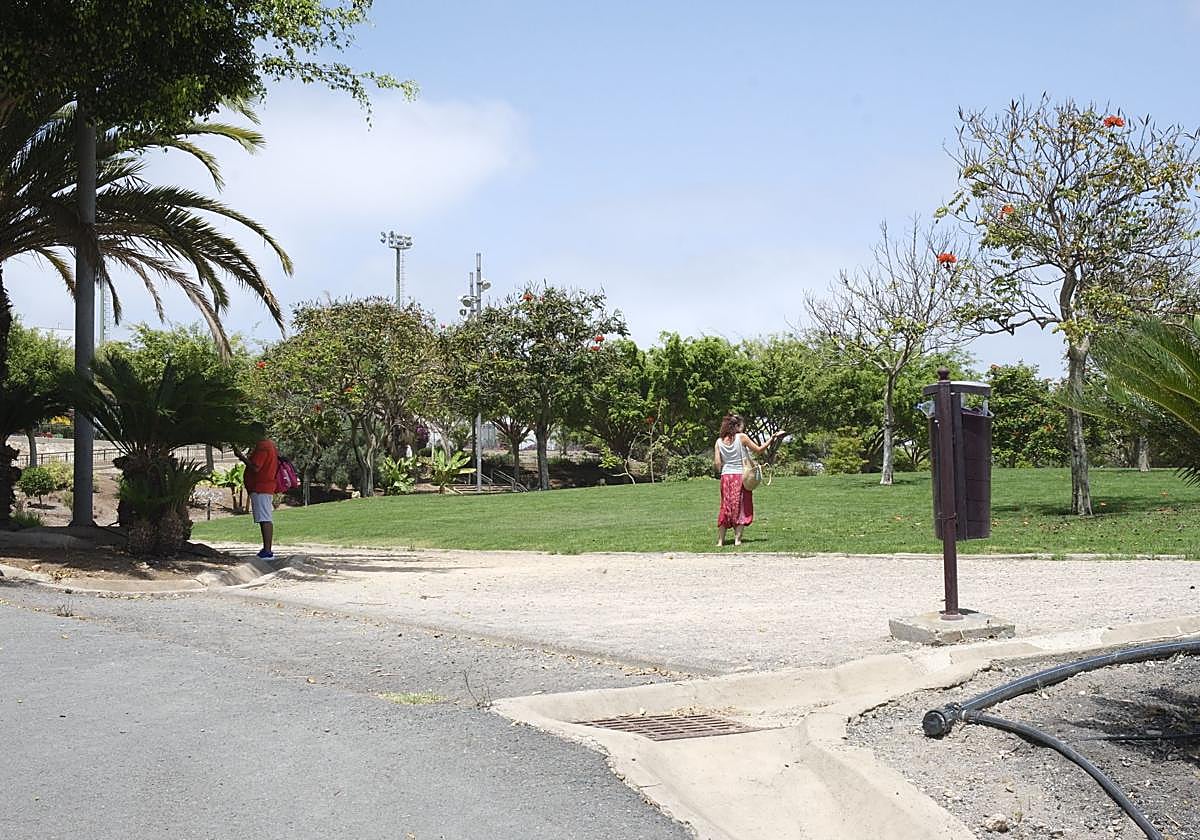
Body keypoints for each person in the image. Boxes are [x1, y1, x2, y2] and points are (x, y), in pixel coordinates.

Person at [713, 414, 783, 547]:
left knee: (725, 506)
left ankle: (720, 541)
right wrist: (772, 438)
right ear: (737, 426)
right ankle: (737, 540)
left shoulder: (718, 441)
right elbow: (759, 450)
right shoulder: (742, 437)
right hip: (741, 476)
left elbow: (717, 463)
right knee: (741, 506)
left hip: (726, 476)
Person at [234, 422, 278, 560]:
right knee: (263, 518)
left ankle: (268, 550)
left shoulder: (263, 446)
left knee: (265, 518)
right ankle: (266, 549)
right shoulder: (268, 445)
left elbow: (256, 467)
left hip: (261, 487)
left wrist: (241, 457)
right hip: (261, 487)